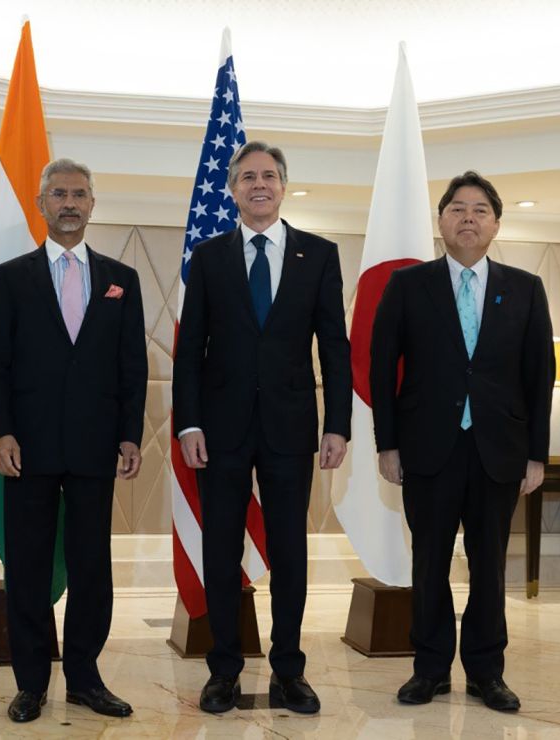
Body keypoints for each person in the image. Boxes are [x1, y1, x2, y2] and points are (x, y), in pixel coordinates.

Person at [173, 141, 352, 715]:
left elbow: (336, 347)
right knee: (221, 553)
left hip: (291, 429)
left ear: (283, 186)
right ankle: (223, 669)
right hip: (219, 432)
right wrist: (188, 424)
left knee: (290, 554)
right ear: (232, 187)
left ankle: (289, 670)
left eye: (269, 176)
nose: (258, 184)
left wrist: (338, 425)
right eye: (247, 175)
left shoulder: (319, 256)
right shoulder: (208, 257)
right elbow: (190, 353)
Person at [370, 171, 554, 712]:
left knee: (489, 566)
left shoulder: (525, 288)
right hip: (428, 449)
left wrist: (536, 455)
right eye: (456, 208)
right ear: (441, 221)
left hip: (499, 451)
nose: (467, 218)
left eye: (479, 210)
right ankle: (428, 670)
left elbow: (538, 375)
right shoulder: (408, 285)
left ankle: (486, 673)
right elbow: (383, 369)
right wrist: (387, 443)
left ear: (496, 224)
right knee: (428, 564)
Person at [0, 158, 147, 723]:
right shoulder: (12, 276)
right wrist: (0, 431)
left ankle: (85, 677)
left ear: (93, 204)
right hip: (26, 449)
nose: (69, 202)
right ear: (41, 203)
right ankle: (31, 683)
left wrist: (129, 435)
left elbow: (132, 367)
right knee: (26, 568)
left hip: (96, 449)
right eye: (58, 194)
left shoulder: (123, 278)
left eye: (79, 193)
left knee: (91, 567)